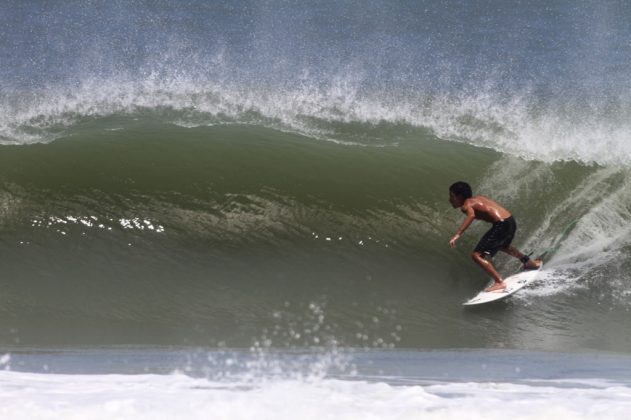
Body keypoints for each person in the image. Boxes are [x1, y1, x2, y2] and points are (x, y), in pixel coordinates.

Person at [448, 181, 541, 292]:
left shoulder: (466, 205)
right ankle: (529, 263)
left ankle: (499, 282)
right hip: (510, 220)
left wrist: (457, 234)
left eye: (452, 196)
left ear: (460, 196)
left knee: (476, 255)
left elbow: (471, 215)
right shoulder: (479, 198)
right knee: (502, 246)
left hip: (501, 224)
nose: (450, 200)